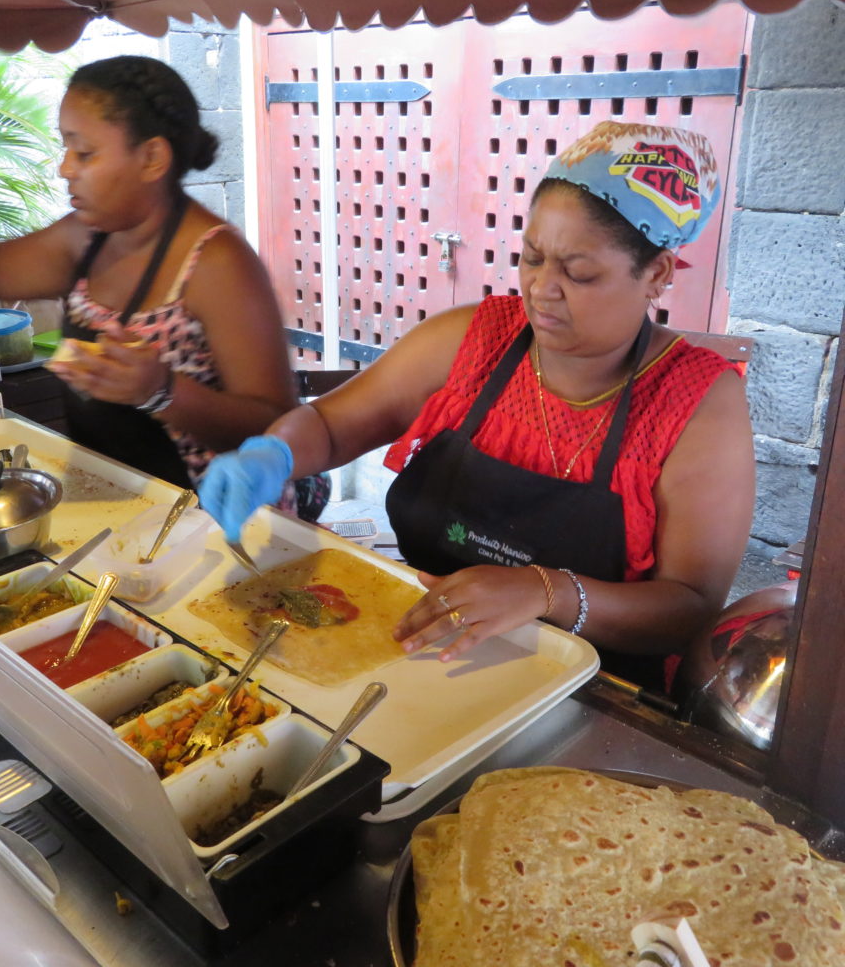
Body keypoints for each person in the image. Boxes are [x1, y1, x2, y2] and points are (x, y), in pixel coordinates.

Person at [199, 121, 756, 690]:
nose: (542, 289)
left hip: (587, 693)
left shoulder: (699, 405)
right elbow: (330, 424)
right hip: (416, 656)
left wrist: (547, 592)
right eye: (533, 257)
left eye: (579, 272)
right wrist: (273, 454)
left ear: (657, 274)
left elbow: (690, 607)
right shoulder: (475, 340)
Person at [0, 55, 298, 492]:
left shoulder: (217, 262)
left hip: (219, 516)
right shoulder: (87, 234)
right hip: (121, 491)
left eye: (84, 153)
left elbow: (274, 423)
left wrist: (162, 391)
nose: (63, 169)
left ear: (152, 158)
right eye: (64, 147)